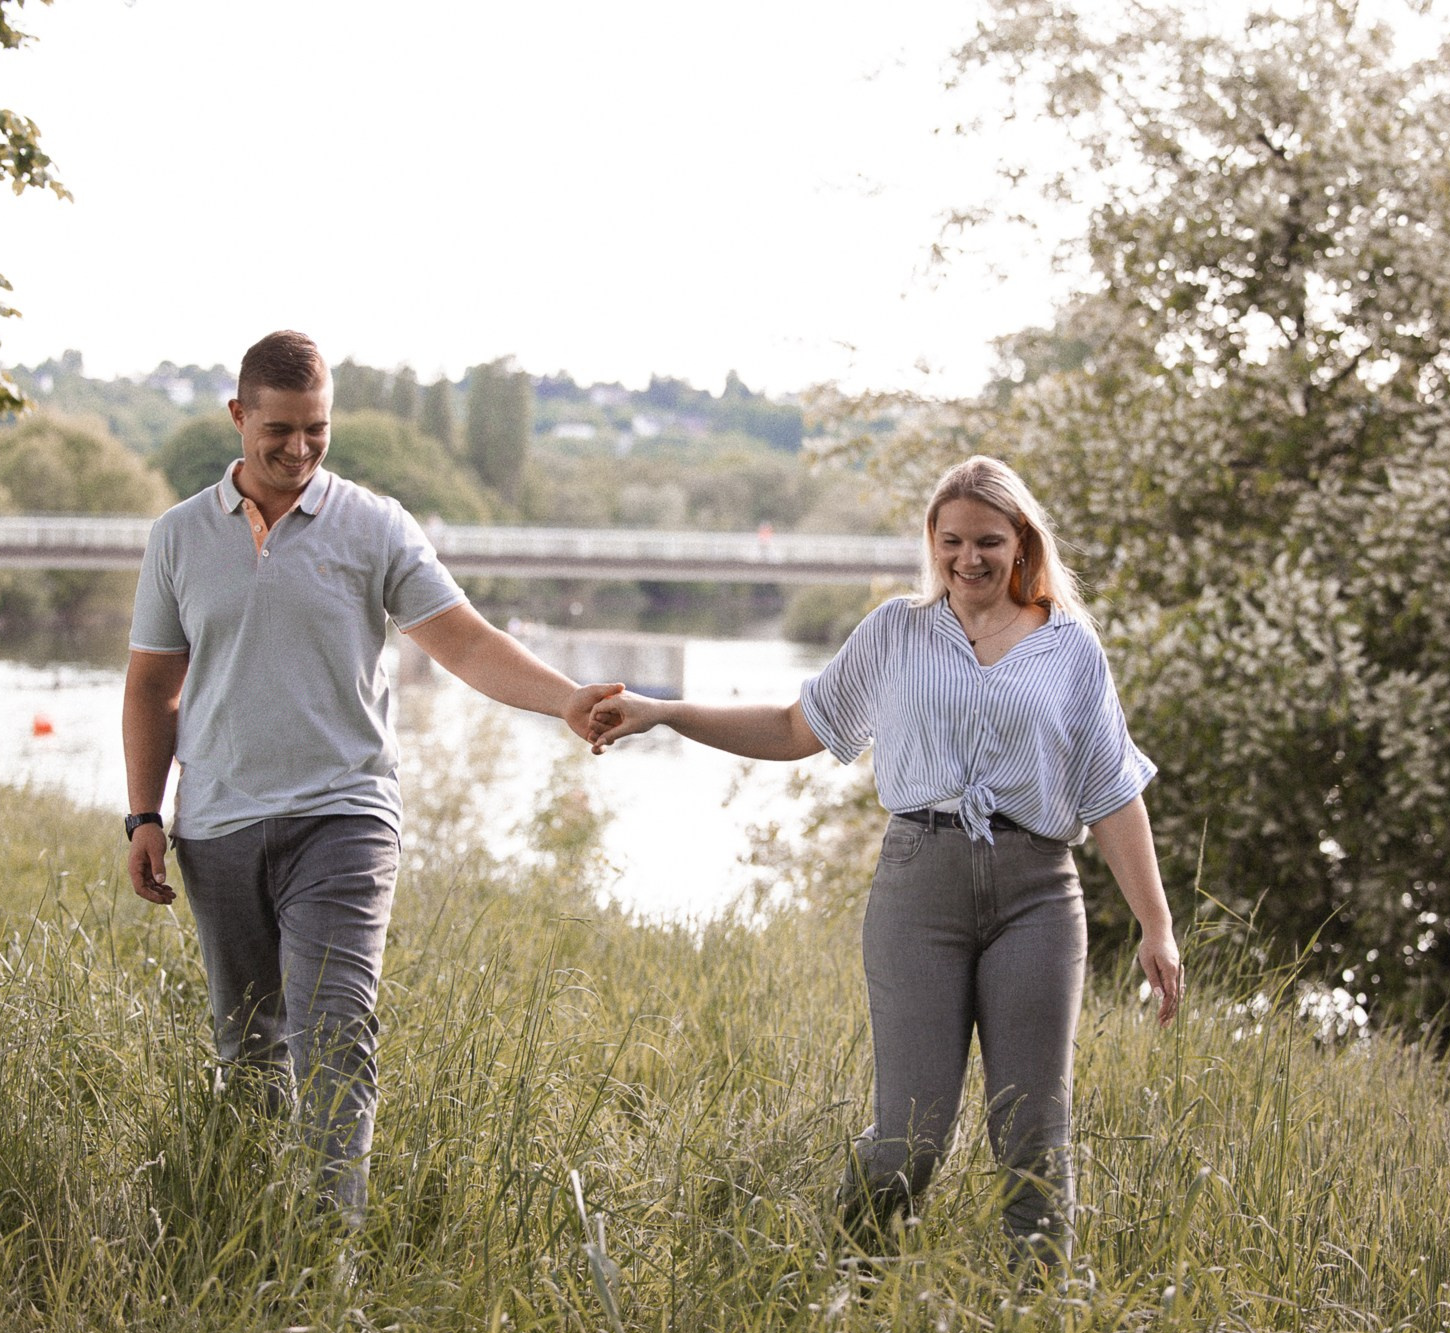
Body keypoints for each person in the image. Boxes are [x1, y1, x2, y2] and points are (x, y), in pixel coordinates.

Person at [584, 455, 1182, 1267]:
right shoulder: (896, 630)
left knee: (1034, 1132)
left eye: (989, 541)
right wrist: (666, 712)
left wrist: (1157, 923)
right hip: (918, 888)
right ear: (932, 543)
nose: (969, 558)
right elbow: (795, 727)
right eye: (953, 540)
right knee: (911, 1134)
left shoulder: (1071, 649)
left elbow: (1111, 791)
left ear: (1023, 544)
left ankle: (1042, 1320)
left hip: (1038, 894)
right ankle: (850, 1285)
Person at [122, 329, 620, 1225]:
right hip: (218, 823)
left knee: (337, 1038)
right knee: (248, 1051)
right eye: (279, 428)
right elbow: (154, 686)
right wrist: (142, 815)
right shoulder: (178, 537)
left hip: (343, 816)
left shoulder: (374, 524)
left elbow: (463, 639)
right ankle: (240, 1239)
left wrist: (565, 699)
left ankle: (327, 1263)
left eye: (317, 428)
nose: (300, 448)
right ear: (239, 416)